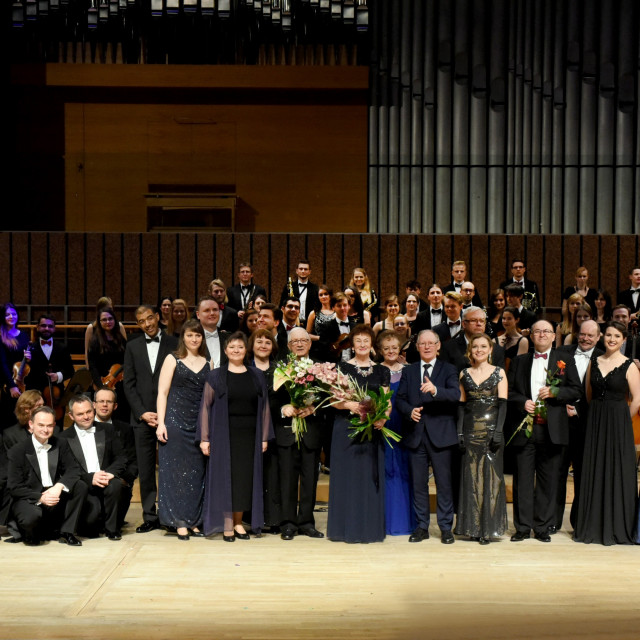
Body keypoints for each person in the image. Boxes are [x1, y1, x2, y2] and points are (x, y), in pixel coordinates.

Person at [507, 320, 581, 542]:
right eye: (537, 331)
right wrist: (522, 403)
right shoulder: (519, 361)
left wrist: (555, 391)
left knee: (548, 481)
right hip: (525, 429)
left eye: (546, 331)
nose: (541, 334)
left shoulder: (565, 360)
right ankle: (522, 527)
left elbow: (576, 389)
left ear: (553, 336)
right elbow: (509, 391)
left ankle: (542, 527)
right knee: (523, 480)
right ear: (531, 336)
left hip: (552, 430)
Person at [197, 332, 273, 540]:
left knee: (243, 480)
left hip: (249, 435)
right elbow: (205, 407)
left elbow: (264, 406)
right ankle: (227, 524)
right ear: (225, 351)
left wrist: (264, 437)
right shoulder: (216, 376)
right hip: (223, 434)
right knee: (225, 477)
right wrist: (205, 438)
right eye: (232, 347)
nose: (236, 350)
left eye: (240, 347)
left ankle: (239, 523)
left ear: (245, 350)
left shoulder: (256, 375)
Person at [574, 321, 640, 545]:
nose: (612, 339)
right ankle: (592, 525)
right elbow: (588, 394)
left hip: (618, 423)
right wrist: (598, 418)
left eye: (617, 336)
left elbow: (637, 398)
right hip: (595, 421)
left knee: (616, 471)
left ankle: (615, 526)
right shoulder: (595, 360)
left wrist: (622, 420)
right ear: (603, 337)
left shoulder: (629, 365)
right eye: (609, 335)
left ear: (623, 340)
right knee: (595, 469)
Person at [395, 330, 460, 544]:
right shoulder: (409, 371)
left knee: (444, 484)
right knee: (419, 484)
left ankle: (445, 527)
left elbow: (455, 396)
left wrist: (435, 390)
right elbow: (400, 400)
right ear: (417, 347)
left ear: (438, 346)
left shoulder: (449, 369)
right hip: (416, 434)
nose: (427, 347)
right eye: (422, 343)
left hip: (442, 436)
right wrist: (409, 411)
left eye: (431, 343)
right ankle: (421, 526)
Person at [327, 324, 390, 543]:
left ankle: (370, 528)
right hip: (346, 428)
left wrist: (383, 417)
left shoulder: (382, 370)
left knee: (369, 478)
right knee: (348, 477)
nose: (362, 344)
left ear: (372, 344)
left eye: (366, 340)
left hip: (372, 429)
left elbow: (387, 401)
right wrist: (349, 406)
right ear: (352, 345)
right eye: (358, 340)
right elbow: (333, 401)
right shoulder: (342, 368)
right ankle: (344, 529)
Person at [123, 304, 178, 533]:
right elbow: (129, 384)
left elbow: (178, 380)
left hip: (169, 417)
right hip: (142, 418)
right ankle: (149, 516)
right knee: (145, 471)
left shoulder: (175, 343)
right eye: (141, 321)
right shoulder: (132, 345)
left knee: (169, 468)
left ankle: (170, 515)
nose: (147, 324)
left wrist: (165, 413)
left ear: (157, 317)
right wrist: (142, 413)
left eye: (149, 318)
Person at [155, 320, 209, 541]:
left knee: (197, 474)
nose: (194, 339)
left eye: (197, 336)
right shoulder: (172, 358)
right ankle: (178, 521)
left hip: (199, 424)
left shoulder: (209, 361)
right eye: (190, 335)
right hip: (175, 422)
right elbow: (162, 392)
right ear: (183, 337)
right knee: (175, 474)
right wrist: (161, 423)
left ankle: (194, 520)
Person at [455, 334, 508, 544]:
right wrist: (459, 432)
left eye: (483, 346)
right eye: (475, 346)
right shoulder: (464, 373)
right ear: (470, 350)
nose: (479, 349)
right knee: (471, 479)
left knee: (491, 479)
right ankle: (473, 528)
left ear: (490, 349)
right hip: (470, 431)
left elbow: (503, 404)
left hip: (491, 430)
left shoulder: (499, 373)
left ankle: (489, 529)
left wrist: (498, 432)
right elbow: (461, 406)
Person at [275, 328, 326, 540]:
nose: (299, 344)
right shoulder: (280, 368)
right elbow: (271, 398)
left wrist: (315, 407)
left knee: (309, 480)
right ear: (288, 346)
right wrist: (284, 406)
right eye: (294, 341)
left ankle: (306, 522)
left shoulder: (320, 369)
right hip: (287, 432)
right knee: (287, 479)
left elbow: (329, 399)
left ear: (310, 343)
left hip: (311, 430)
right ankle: (287, 523)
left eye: (303, 340)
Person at [7, 406, 84, 546]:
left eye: (49, 425)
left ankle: (67, 532)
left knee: (80, 485)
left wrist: (59, 486)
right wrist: (41, 497)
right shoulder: (17, 451)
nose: (45, 430)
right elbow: (14, 487)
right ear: (31, 424)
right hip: (30, 498)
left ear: (54, 425)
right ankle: (31, 532)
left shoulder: (61, 443)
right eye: (41, 425)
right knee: (32, 524)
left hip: (53, 493)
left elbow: (73, 469)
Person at [555, 320, 603, 531]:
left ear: (598, 337)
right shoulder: (562, 352)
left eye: (590, 336)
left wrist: (579, 410)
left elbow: (605, 394)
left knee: (583, 476)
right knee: (557, 474)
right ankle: (551, 522)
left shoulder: (604, 356)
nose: (585, 339)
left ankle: (579, 522)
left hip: (587, 425)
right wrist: (561, 405)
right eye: (582, 334)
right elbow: (552, 382)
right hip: (560, 422)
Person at [60, 395, 126, 540]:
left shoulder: (108, 429)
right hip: (83, 484)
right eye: (80, 414)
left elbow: (121, 458)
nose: (86, 417)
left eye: (89, 412)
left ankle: (112, 529)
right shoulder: (63, 438)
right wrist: (91, 478)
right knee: (90, 528)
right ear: (71, 415)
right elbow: (67, 470)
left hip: (105, 479)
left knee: (116, 484)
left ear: (93, 409)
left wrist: (110, 473)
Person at [377, 331, 416, 536]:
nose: (391, 351)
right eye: (386, 348)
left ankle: (404, 521)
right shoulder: (375, 370)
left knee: (403, 469)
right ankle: (383, 520)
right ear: (380, 351)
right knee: (385, 469)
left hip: (404, 425)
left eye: (394, 347)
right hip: (383, 425)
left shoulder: (409, 371)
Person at [248, 328, 281, 533]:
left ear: (273, 346)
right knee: (251, 474)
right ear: (252, 345)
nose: (263, 345)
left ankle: (273, 519)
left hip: (275, 427)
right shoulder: (243, 368)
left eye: (267, 342)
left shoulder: (280, 370)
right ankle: (251, 518)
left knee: (272, 473)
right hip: (249, 427)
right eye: (259, 341)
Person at [93, 387, 138, 532]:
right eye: (101, 401)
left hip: (118, 483)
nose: (104, 405)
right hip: (91, 483)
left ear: (115, 406)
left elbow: (133, 461)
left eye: (109, 402)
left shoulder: (125, 429)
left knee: (113, 526)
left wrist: (124, 479)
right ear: (94, 405)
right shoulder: (83, 428)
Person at [24, 315, 74, 422]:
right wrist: (27, 362)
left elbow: (70, 370)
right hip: (35, 396)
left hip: (56, 398)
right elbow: (26, 375)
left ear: (54, 328)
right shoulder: (30, 349)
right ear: (37, 327)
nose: (47, 328)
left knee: (57, 427)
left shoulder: (62, 347)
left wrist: (58, 376)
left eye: (50, 326)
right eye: (43, 326)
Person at [87, 306, 129, 421]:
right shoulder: (95, 341)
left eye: (110, 319)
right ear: (99, 322)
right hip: (102, 382)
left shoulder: (120, 339)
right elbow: (93, 366)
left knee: (121, 416)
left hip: (120, 383)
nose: (108, 322)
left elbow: (128, 358)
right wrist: (100, 387)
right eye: (104, 320)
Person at [440, 306, 506, 373]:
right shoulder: (448, 348)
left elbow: (500, 378)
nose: (479, 324)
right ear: (464, 324)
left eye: (482, 321)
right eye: (474, 320)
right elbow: (446, 376)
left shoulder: (497, 350)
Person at [0, 303, 31, 425]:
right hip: (6, 380)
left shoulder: (23, 335)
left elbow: (24, 359)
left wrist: (28, 358)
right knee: (8, 416)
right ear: (2, 317)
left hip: (21, 380)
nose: (11, 316)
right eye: (7, 314)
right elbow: (2, 363)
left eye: (14, 314)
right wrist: (12, 385)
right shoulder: (1, 336)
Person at [84, 297, 128, 368]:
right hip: (100, 368)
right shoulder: (91, 328)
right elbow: (87, 352)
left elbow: (126, 350)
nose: (107, 311)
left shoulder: (119, 326)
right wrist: (89, 371)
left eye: (110, 309)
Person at [278, 259, 320, 325]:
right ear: (297, 271)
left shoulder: (315, 288)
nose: (303, 271)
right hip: (291, 323)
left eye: (305, 269)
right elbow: (281, 306)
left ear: (309, 272)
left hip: (310, 324)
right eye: (301, 269)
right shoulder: (289, 286)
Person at [317, 293, 355, 362]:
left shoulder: (355, 327)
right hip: (334, 366)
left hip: (353, 365)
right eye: (339, 306)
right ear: (333, 308)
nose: (342, 308)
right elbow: (322, 351)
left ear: (349, 306)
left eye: (345, 305)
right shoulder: (326, 327)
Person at [195, 296, 229, 368]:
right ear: (198, 315)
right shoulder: (191, 340)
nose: (212, 313)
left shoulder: (230, 338)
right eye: (207, 310)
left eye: (215, 310)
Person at [496, 306, 529, 370]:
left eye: (509, 318)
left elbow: (520, 366)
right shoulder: (495, 340)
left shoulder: (523, 341)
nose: (505, 321)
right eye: (504, 318)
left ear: (517, 320)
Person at [306, 284, 335, 348]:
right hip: (318, 348)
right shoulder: (314, 313)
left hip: (335, 348)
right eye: (321, 295)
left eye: (326, 294)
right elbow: (307, 335)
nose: (323, 297)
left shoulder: (337, 312)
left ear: (330, 295)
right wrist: (319, 338)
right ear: (318, 297)